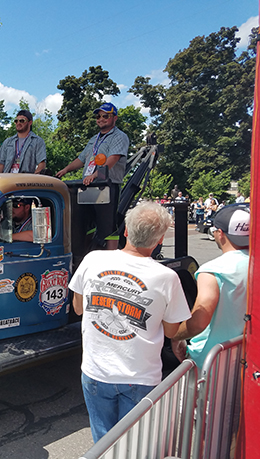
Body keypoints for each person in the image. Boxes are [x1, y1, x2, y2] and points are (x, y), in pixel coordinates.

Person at [69, 201, 191, 442]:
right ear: (159, 240)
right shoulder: (167, 277)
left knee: (103, 442)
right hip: (140, 377)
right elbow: (171, 331)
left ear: (125, 231)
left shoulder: (93, 259)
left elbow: (78, 308)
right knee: (133, 444)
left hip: (96, 372)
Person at [171, 204, 250, 367]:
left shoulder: (213, 270)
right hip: (249, 356)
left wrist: (176, 336)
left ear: (219, 233)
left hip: (213, 360)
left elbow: (200, 321)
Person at [56, 103, 130, 252]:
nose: (101, 119)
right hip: (87, 187)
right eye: (98, 116)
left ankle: (111, 258)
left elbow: (113, 159)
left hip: (107, 186)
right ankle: (85, 256)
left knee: (108, 226)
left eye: (105, 116)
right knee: (85, 224)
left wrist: (95, 175)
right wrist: (65, 170)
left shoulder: (119, 136)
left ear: (114, 118)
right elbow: (82, 159)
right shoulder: (93, 139)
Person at [0, 110, 46, 174]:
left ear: (30, 123)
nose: (18, 123)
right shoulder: (8, 142)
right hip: (8, 180)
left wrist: (33, 180)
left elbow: (42, 164)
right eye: (16, 121)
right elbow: (0, 164)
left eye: (22, 121)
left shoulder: (37, 141)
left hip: (26, 181)